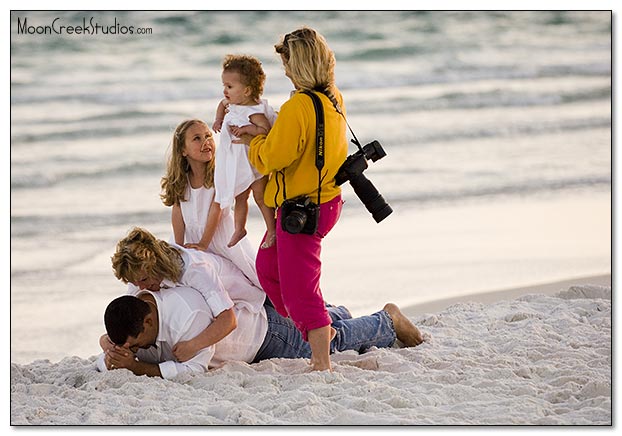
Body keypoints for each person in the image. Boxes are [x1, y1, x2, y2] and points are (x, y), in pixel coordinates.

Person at [234, 27, 349, 371]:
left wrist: (253, 142)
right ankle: (317, 326)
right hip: (323, 201)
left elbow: (272, 157)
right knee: (268, 270)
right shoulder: (332, 96)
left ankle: (321, 360)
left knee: (300, 292)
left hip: (303, 210)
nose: (283, 70)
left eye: (285, 62)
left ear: (297, 64)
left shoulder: (299, 104)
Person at [98, 284, 423, 379]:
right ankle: (333, 313)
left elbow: (192, 369)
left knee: (330, 344)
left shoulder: (188, 317)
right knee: (326, 325)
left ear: (149, 323)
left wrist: (135, 366)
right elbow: (110, 350)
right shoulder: (134, 302)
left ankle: (386, 321)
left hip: (265, 337)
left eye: (137, 343)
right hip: (258, 317)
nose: (135, 349)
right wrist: (110, 352)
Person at [102, 227, 266, 362]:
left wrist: (193, 345)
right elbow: (129, 317)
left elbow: (228, 320)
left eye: (144, 280)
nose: (141, 287)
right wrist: (106, 343)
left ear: (155, 263)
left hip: (254, 305)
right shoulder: (140, 276)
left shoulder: (194, 269)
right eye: (136, 282)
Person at [160, 118, 260, 289]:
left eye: (208, 136)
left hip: (219, 238)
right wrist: (178, 246)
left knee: (253, 278)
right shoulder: (180, 180)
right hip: (192, 237)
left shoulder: (218, 175)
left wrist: (203, 244)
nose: (206, 142)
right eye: (197, 138)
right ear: (183, 150)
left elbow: (216, 210)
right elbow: (178, 214)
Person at [212, 54, 277, 249]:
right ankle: (239, 229)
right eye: (224, 85)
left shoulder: (254, 111)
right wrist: (218, 119)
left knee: (260, 196)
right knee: (240, 196)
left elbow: (265, 130)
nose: (225, 91)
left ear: (247, 90)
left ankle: (272, 230)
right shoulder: (231, 103)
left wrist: (247, 129)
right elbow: (221, 106)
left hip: (254, 162)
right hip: (238, 162)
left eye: (229, 87)